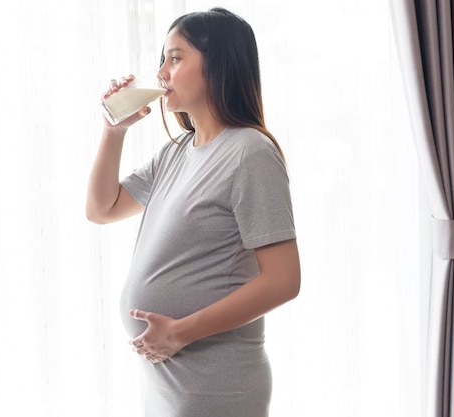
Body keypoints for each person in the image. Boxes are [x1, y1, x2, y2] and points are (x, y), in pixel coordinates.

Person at [86, 7, 301, 417]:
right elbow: (101, 208)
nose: (161, 72)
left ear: (218, 66)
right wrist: (113, 130)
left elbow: (284, 280)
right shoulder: (176, 153)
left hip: (216, 388)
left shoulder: (250, 153)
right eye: (161, 59)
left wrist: (180, 333)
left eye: (176, 57)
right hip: (171, 388)